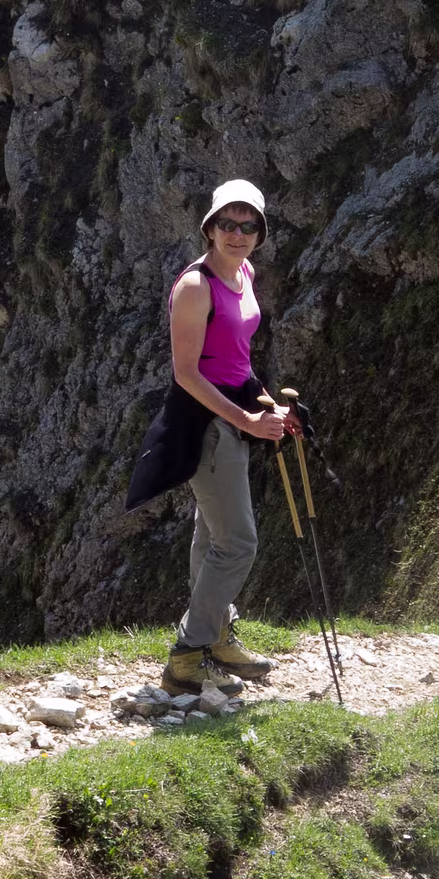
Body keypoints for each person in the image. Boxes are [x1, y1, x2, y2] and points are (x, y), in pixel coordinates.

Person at [124, 178, 291, 697]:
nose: (238, 234)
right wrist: (245, 421)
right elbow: (187, 374)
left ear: (260, 233)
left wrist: (267, 403)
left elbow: (235, 359)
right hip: (207, 424)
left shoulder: (244, 273)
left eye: (248, 225)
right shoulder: (195, 287)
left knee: (212, 537)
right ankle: (187, 657)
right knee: (237, 543)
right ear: (210, 228)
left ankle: (216, 636)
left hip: (233, 414)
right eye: (227, 224)